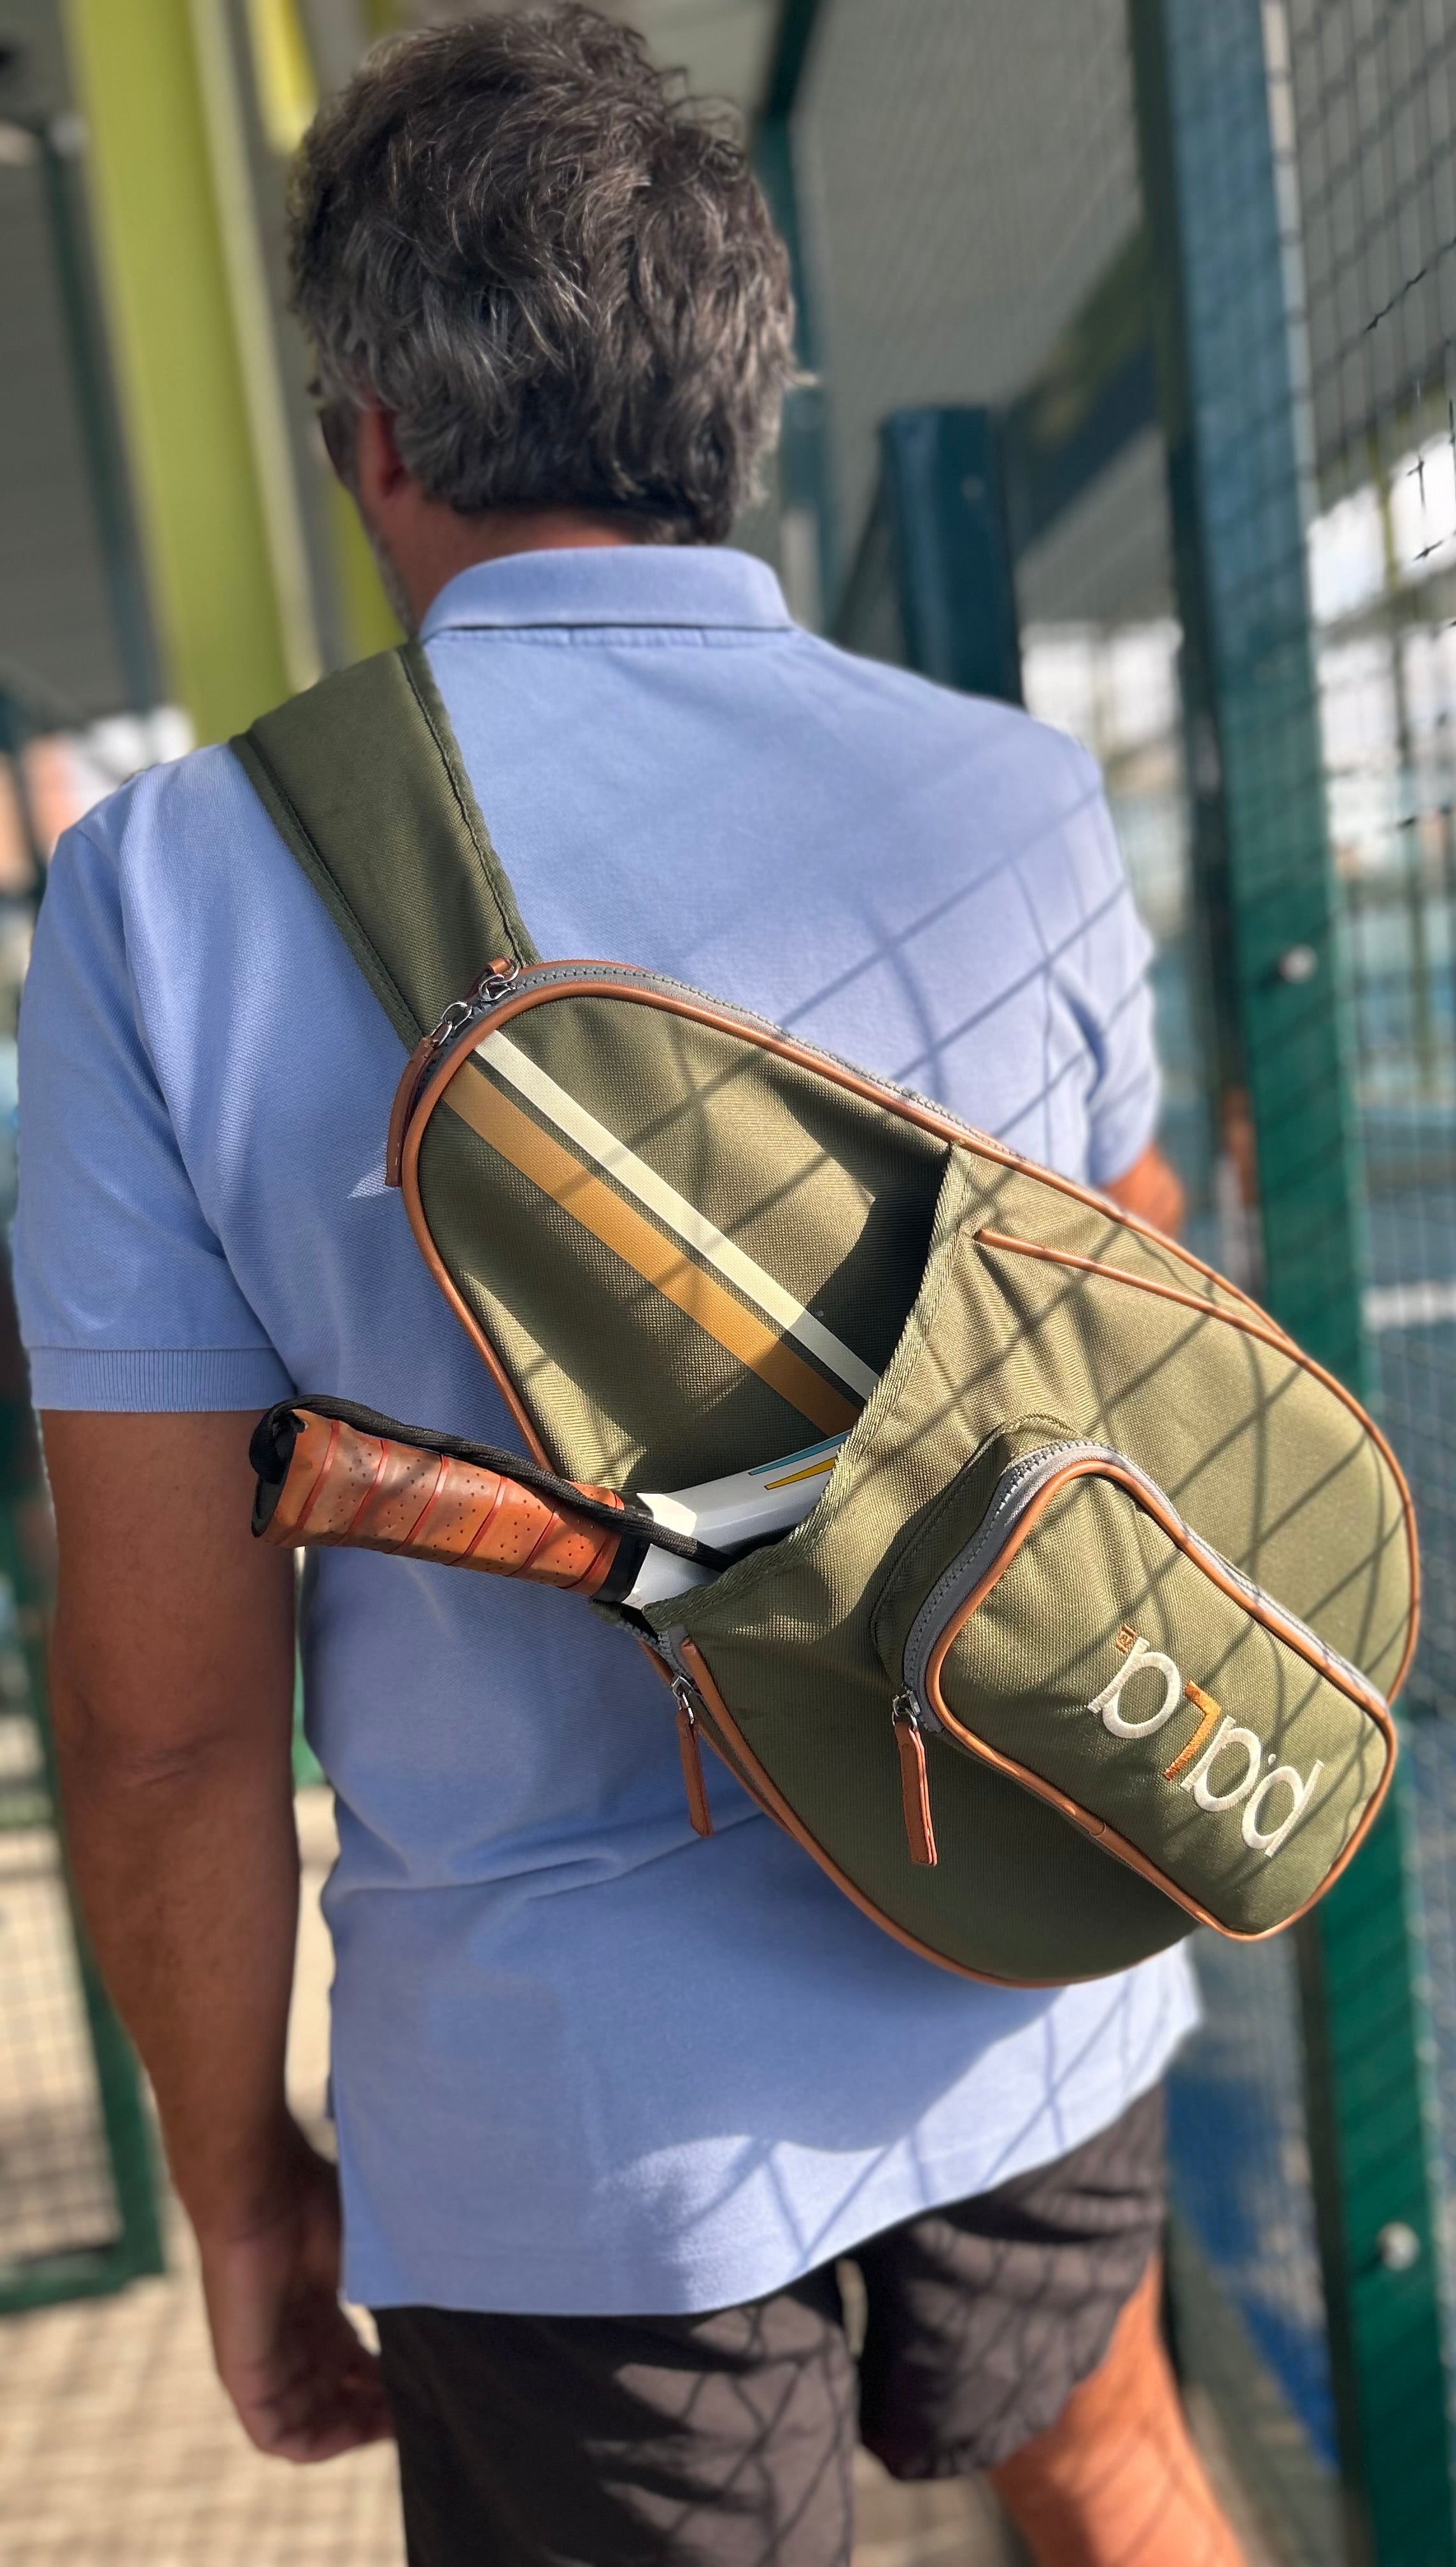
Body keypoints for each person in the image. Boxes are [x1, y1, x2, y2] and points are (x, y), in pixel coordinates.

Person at [17, 12, 1237, 2563]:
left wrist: (243, 2189)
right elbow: (1146, 1344)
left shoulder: (172, 899)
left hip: (574, 2123)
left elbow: (157, 1734)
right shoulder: (1004, 796)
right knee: (1116, 2468)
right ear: (735, 415)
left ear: (371, 434)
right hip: (1032, 1908)